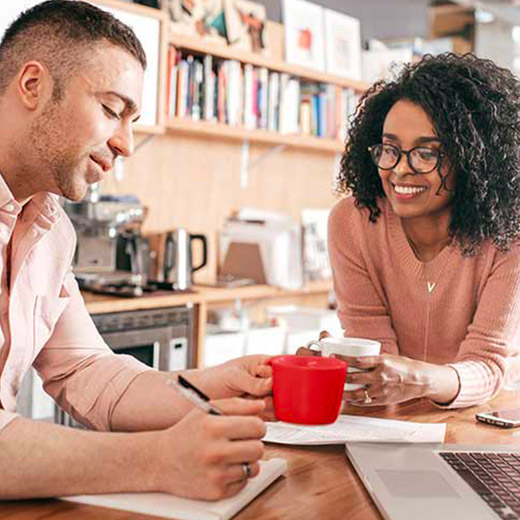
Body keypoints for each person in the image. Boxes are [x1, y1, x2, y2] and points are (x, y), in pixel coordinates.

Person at [0, 0, 272, 501]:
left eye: (133, 120)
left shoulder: (51, 229)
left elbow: (87, 372)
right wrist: (158, 461)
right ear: (33, 85)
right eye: (110, 110)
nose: (126, 143)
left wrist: (213, 386)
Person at [325, 53, 520, 409]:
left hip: (485, 419)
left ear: (471, 159)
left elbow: (489, 364)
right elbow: (375, 356)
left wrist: (418, 380)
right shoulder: (352, 223)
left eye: (425, 154)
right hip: (396, 421)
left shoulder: (510, 235)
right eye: (390, 149)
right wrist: (348, 367)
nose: (400, 170)